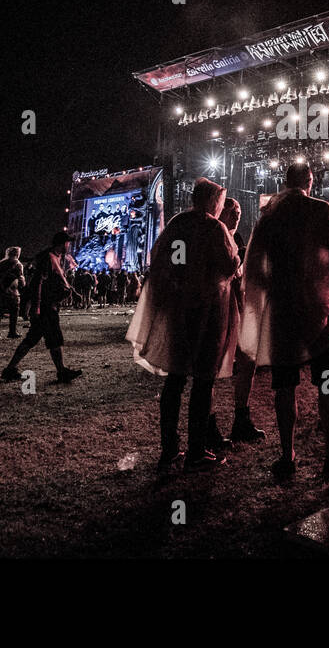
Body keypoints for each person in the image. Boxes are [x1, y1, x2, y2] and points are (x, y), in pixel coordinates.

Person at [239, 162, 329, 481]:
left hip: (282, 313)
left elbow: (254, 268)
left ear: (285, 182)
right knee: (327, 380)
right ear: (310, 182)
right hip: (318, 312)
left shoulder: (270, 217)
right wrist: (326, 291)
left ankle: (287, 456)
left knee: (284, 385)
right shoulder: (323, 210)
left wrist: (275, 287)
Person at [128, 178, 242, 472]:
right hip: (207, 312)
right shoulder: (213, 227)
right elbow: (229, 265)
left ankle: (169, 449)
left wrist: (177, 286)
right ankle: (196, 450)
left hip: (179, 312)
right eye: (219, 199)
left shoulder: (179, 223)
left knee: (175, 380)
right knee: (204, 381)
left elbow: (163, 258)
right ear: (212, 200)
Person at [2, 232, 84, 383]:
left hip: (49, 304)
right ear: (62, 243)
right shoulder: (48, 257)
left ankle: (10, 369)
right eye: (67, 243)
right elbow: (38, 282)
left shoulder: (57, 258)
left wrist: (73, 292)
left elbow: (59, 279)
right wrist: (36, 307)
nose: (69, 245)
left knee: (31, 339)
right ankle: (61, 371)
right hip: (46, 306)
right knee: (54, 339)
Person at [219, 198, 264, 444]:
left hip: (238, 309)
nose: (236, 216)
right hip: (220, 310)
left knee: (248, 361)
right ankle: (211, 426)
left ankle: (241, 417)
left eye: (238, 212)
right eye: (231, 211)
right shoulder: (215, 235)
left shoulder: (236, 239)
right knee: (214, 369)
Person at [0, 247, 25, 340]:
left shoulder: (0, 264)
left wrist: (0, 287)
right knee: (14, 311)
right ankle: (12, 331)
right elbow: (21, 279)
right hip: (13, 292)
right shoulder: (17, 264)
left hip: (0, 291)